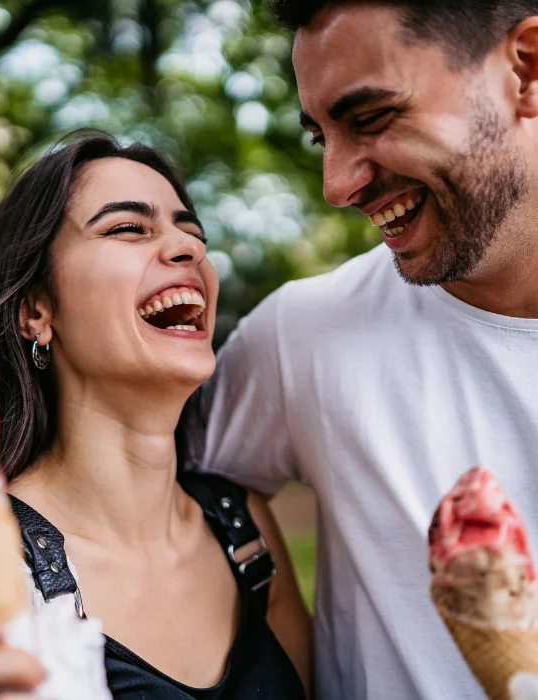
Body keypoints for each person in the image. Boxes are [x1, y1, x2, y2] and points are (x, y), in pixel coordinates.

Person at [182, 2, 538, 699]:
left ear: (525, 68)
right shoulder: (305, 337)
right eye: (320, 137)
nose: (337, 185)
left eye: (371, 118)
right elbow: (125, 488)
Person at [0, 132, 311, 699]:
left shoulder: (245, 529)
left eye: (192, 232)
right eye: (128, 228)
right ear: (37, 311)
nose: (189, 249)